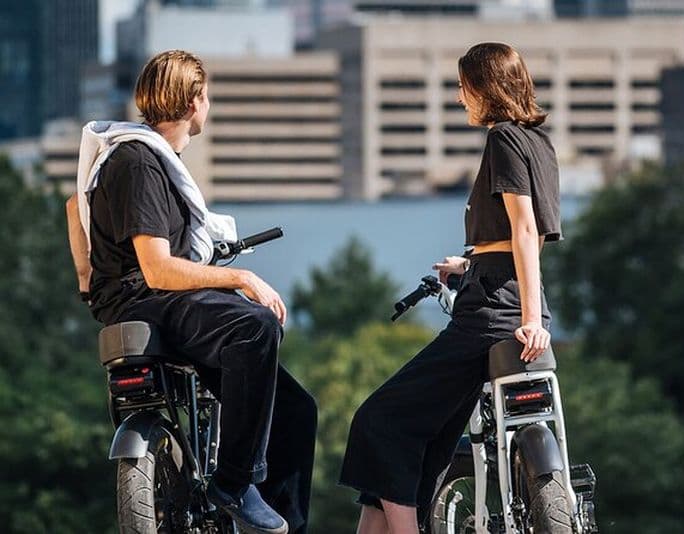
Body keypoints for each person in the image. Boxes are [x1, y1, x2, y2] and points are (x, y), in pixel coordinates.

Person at [65, 50, 317, 534]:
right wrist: (242, 278)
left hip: (143, 301)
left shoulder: (138, 155)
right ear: (193, 101)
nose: (209, 104)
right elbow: (159, 270)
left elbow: (75, 206)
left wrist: (87, 284)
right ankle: (235, 482)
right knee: (255, 324)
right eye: (207, 95)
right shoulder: (139, 161)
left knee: (295, 411)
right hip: (148, 300)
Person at [339, 42, 562, 534]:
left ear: (485, 87)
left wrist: (529, 320)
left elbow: (526, 229)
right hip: (505, 296)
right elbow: (522, 237)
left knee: (380, 420)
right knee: (429, 436)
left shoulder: (502, 138)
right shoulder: (538, 141)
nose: (461, 98)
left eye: (464, 87)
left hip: (490, 314)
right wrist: (471, 263)